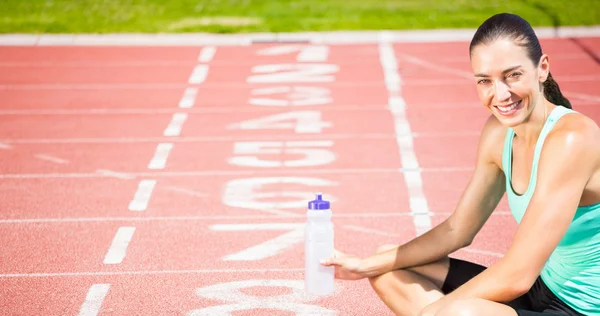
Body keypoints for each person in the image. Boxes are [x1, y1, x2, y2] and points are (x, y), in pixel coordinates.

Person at [321, 12, 600, 316]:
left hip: (582, 310)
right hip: (542, 288)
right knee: (388, 266)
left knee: (460, 313)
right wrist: (363, 266)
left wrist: (436, 312)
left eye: (513, 75)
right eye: (485, 81)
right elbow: (457, 230)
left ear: (542, 68)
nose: (501, 94)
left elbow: (518, 275)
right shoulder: (499, 134)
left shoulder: (573, 140)